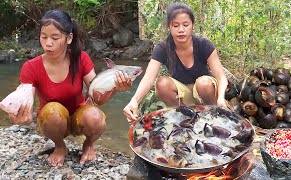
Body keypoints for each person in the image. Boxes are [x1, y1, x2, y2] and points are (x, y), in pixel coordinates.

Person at [6, 10, 132, 166]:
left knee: (97, 117)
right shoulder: (30, 67)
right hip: (53, 122)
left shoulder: (81, 58)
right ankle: (60, 147)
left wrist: (115, 88)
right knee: (52, 110)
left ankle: (88, 144)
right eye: (44, 37)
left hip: (80, 116)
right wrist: (17, 115)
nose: (48, 43)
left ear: (69, 38)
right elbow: (25, 99)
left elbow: (97, 99)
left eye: (55, 37)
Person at [123, 2, 228, 123]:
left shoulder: (203, 45)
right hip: (182, 95)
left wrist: (221, 98)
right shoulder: (162, 48)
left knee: (203, 83)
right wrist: (134, 101)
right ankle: (185, 118)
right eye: (176, 25)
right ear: (169, 27)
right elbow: (148, 78)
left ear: (192, 25)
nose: (181, 30)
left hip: (205, 92)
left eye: (186, 24)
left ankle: (215, 115)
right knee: (161, 83)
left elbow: (221, 77)